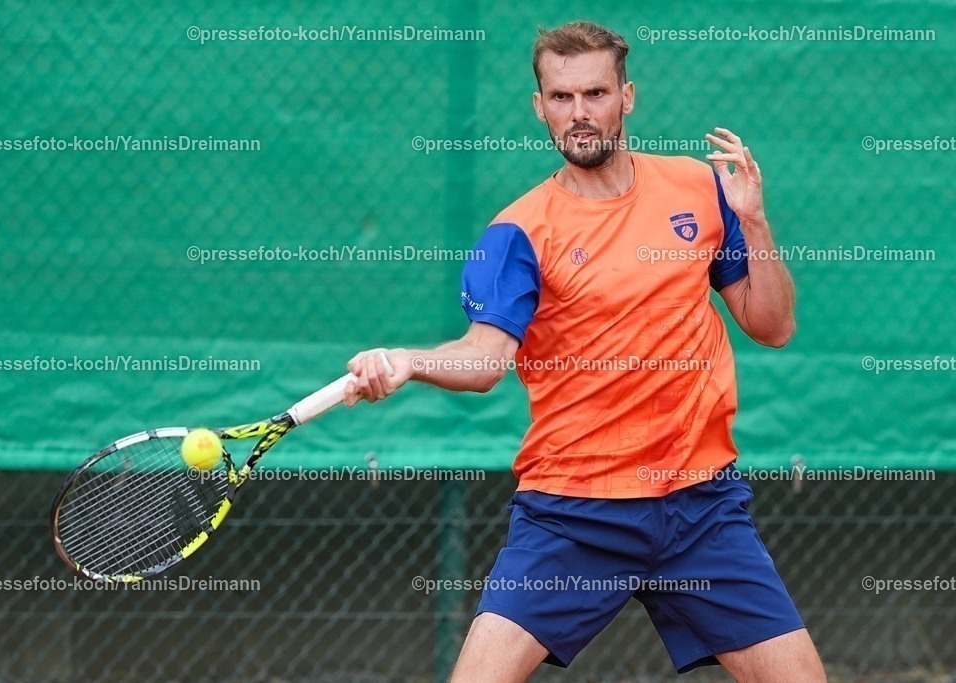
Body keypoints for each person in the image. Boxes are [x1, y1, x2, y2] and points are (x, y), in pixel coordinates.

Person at [344, 20, 826, 683]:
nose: (580, 114)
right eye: (562, 97)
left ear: (626, 96)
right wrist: (410, 360)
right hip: (575, 512)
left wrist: (755, 221)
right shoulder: (517, 232)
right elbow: (484, 359)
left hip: (700, 508)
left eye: (595, 93)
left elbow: (772, 326)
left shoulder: (697, 188)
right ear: (539, 106)